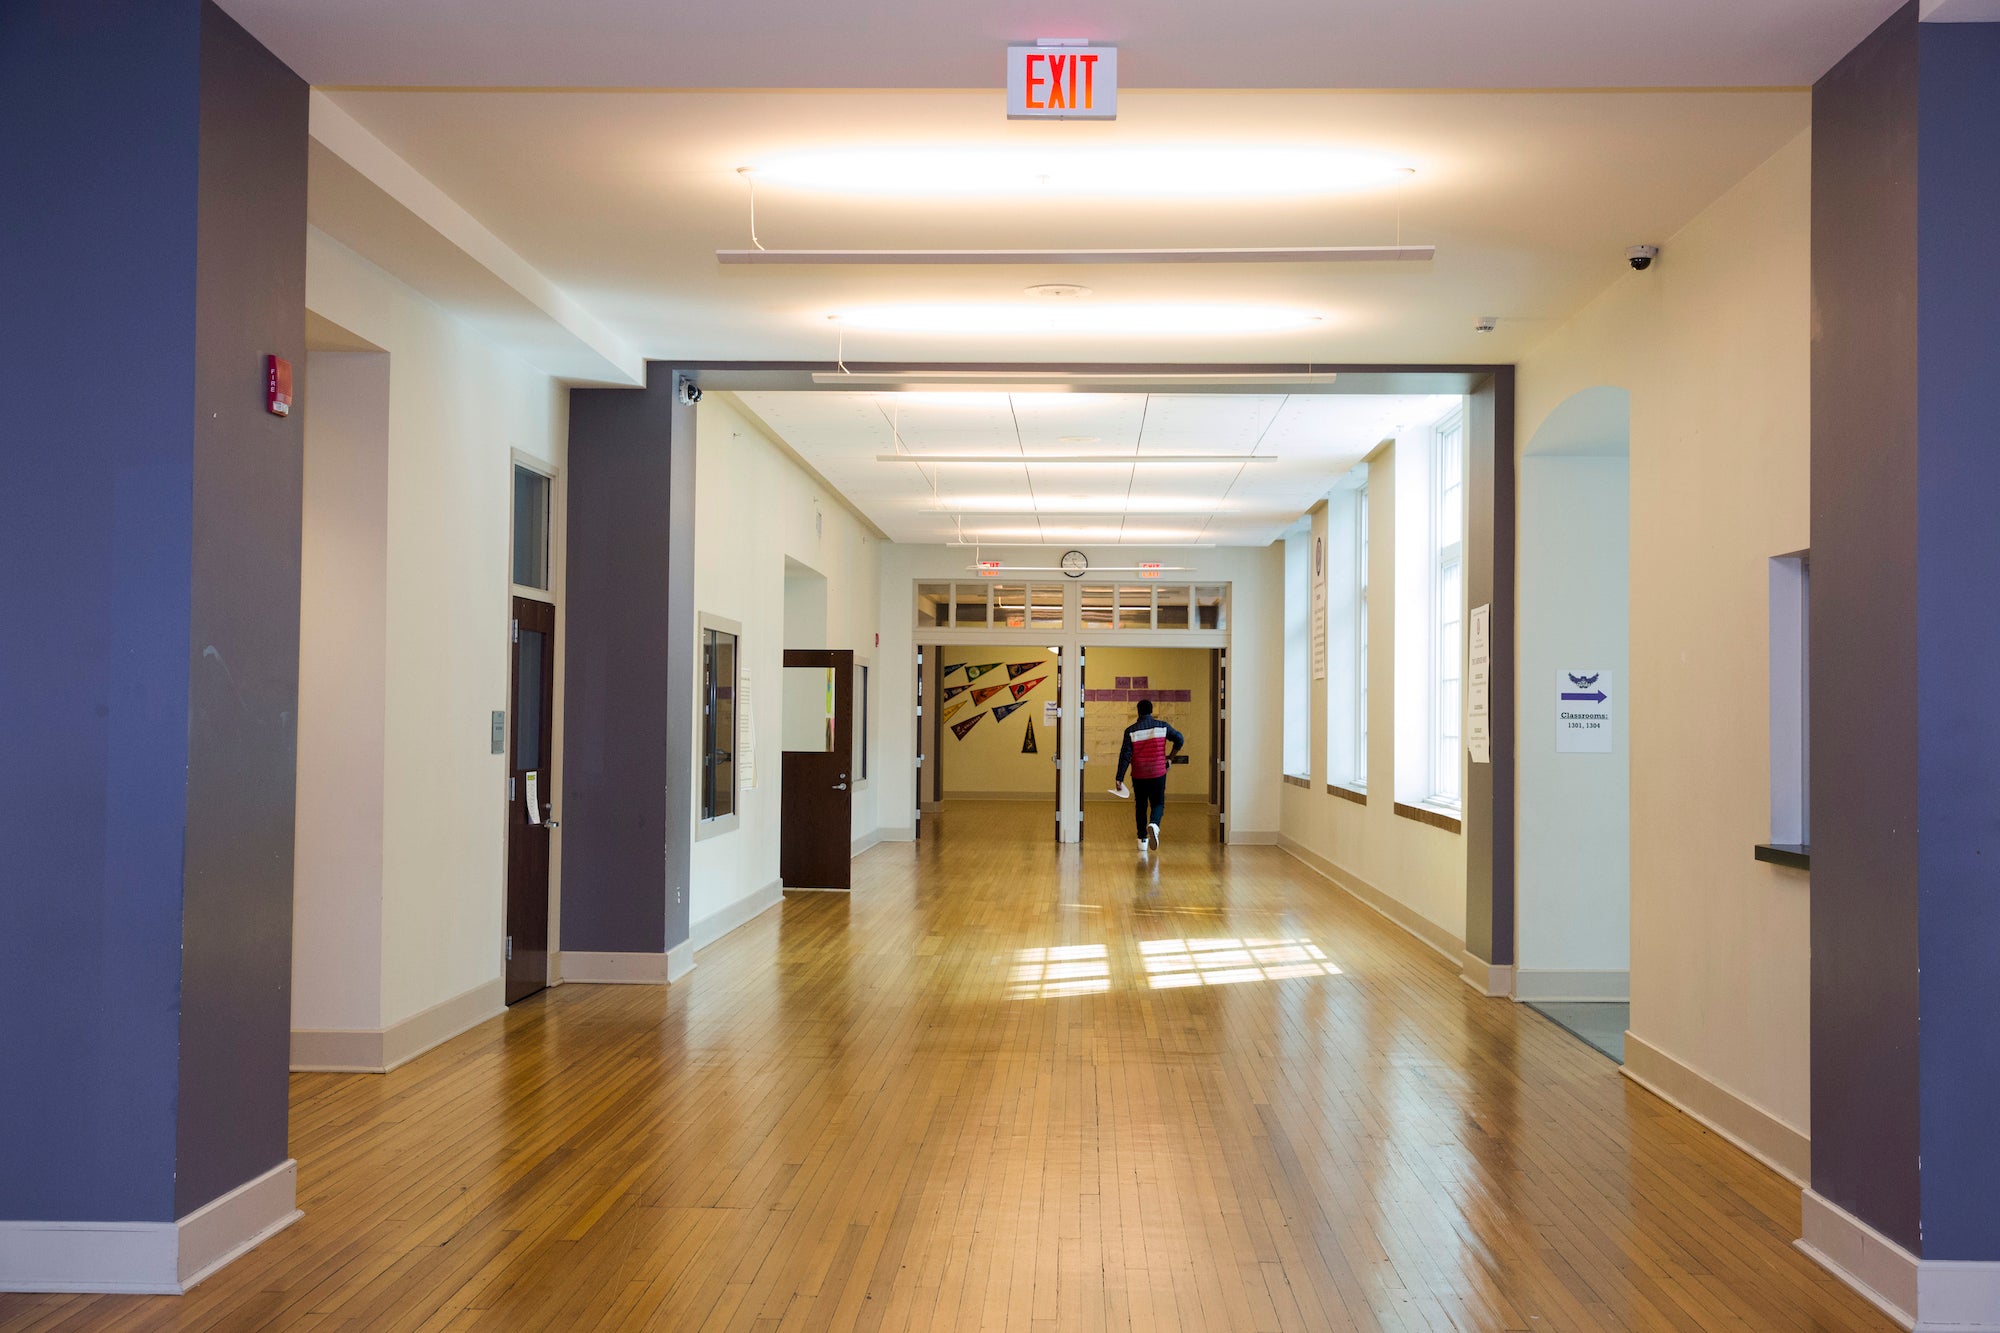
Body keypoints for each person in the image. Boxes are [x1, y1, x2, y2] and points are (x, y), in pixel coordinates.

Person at [1115, 699, 1184, 853]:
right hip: (1158, 772)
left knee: (1140, 806)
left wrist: (1119, 777)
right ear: (1151, 711)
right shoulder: (1162, 726)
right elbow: (1180, 739)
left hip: (1139, 774)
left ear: (1138, 712)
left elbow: (1125, 756)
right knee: (1158, 803)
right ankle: (1154, 824)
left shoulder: (1131, 731)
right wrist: (1170, 757)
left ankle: (1142, 841)